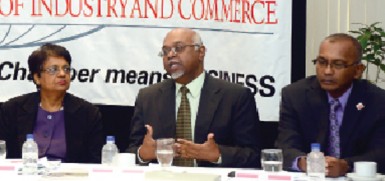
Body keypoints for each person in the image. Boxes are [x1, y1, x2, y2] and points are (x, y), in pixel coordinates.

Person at [127, 28, 261, 168]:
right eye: (166, 51)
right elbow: (131, 151)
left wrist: (218, 155)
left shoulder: (235, 96)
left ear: (201, 52)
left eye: (178, 48)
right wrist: (142, 154)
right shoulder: (148, 97)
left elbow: (253, 155)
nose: (171, 55)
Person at [275, 33, 385, 177]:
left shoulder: (377, 101)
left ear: (358, 70)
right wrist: (304, 162)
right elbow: (285, 146)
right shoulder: (295, 95)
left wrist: (346, 165)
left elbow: (381, 152)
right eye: (321, 62)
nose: (327, 71)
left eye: (338, 64)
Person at [0, 43, 104, 163]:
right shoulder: (12, 109)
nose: (62, 74)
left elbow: (95, 161)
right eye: (53, 69)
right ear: (37, 78)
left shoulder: (88, 113)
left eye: (66, 69)